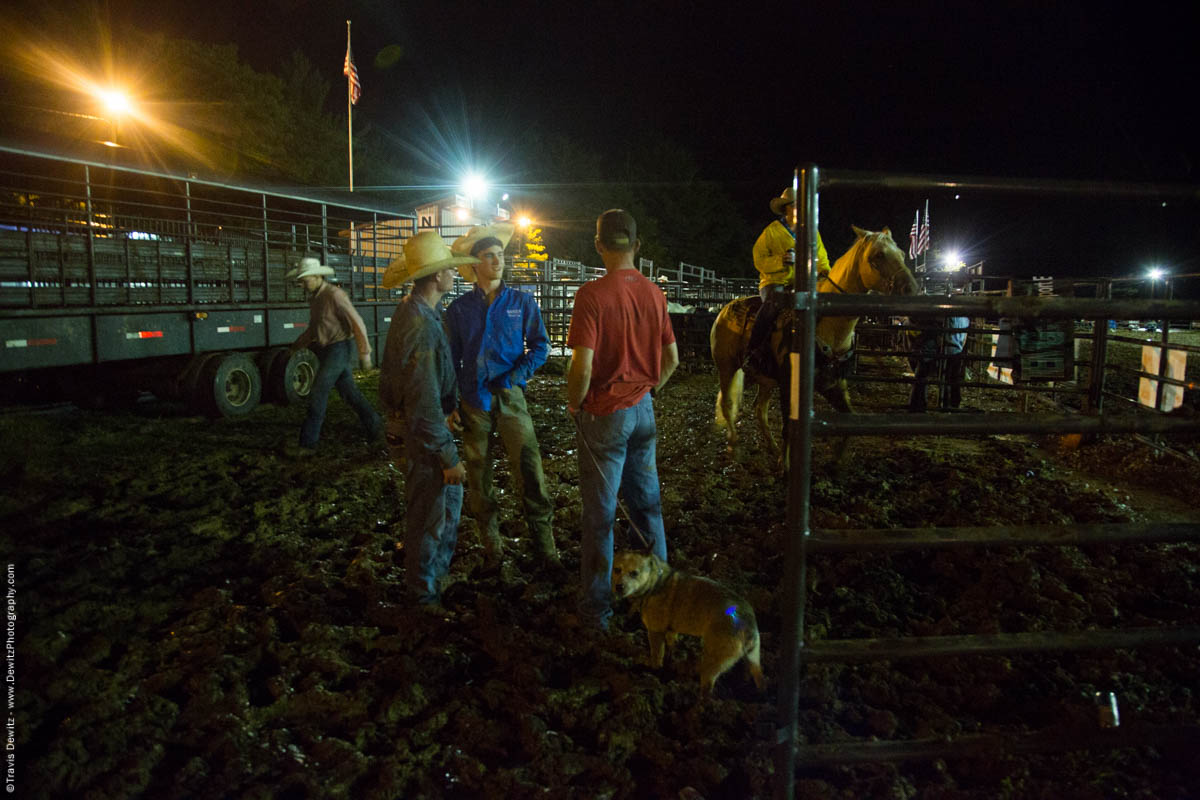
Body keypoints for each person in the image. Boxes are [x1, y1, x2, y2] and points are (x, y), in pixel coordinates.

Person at [566, 209, 679, 632]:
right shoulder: (654, 293)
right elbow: (672, 359)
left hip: (604, 414)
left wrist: (575, 402)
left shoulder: (592, 295)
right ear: (637, 244)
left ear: (599, 245)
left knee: (599, 516)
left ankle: (596, 609)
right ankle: (662, 595)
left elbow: (582, 366)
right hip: (642, 411)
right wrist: (648, 391)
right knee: (648, 506)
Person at [446, 223, 558, 570]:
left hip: (510, 398)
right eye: (489, 256)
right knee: (479, 476)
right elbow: (451, 358)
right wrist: (449, 402)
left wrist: (516, 375)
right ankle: (493, 549)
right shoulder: (459, 309)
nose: (497, 261)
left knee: (529, 469)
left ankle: (546, 550)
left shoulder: (521, 302)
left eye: (500, 255)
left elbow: (541, 346)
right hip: (473, 400)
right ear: (475, 264)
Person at [378, 232, 477, 608]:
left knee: (430, 509)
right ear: (437, 277)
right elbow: (422, 399)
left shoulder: (412, 310)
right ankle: (423, 594)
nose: (453, 274)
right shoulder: (423, 325)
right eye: (448, 270)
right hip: (422, 435)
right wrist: (446, 454)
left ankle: (426, 584)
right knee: (432, 514)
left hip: (415, 428)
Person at [286, 256, 383, 454]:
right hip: (330, 349)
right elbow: (315, 328)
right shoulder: (316, 298)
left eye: (304, 280)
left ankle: (307, 444)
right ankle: (376, 427)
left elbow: (357, 323)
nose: (303, 285)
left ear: (315, 277)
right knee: (350, 393)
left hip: (338, 348)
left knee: (318, 392)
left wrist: (365, 353)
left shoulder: (334, 295)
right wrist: (298, 345)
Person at [746, 186, 831, 377]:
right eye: (797, 206)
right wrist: (780, 261)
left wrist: (825, 272)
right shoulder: (771, 232)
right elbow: (758, 259)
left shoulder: (811, 233)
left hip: (801, 284)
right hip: (774, 282)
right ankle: (754, 350)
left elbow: (822, 258)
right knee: (772, 306)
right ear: (787, 208)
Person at [908, 314, 969, 411]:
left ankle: (918, 404)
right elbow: (965, 336)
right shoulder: (964, 318)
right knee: (952, 378)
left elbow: (936, 329)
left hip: (942, 348)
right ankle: (951, 404)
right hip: (957, 349)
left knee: (922, 374)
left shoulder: (946, 315)